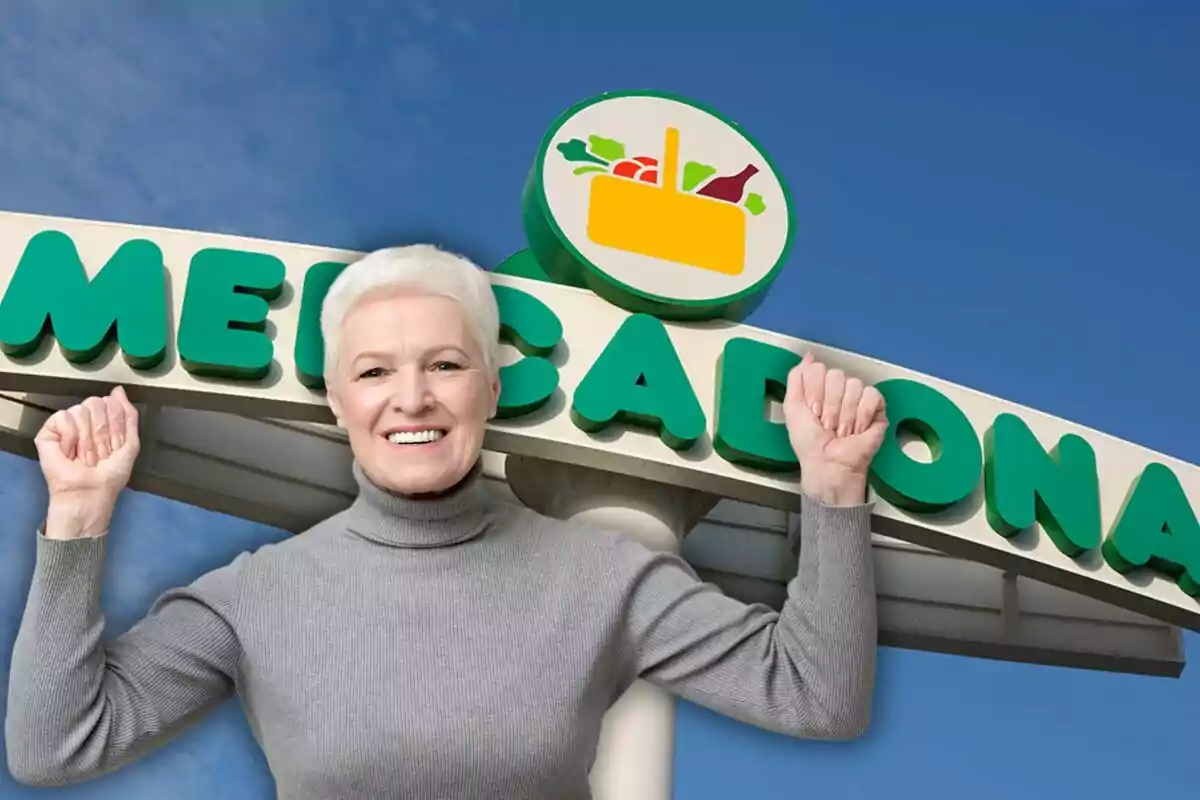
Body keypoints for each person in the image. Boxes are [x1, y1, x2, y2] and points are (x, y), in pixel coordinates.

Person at [6, 244, 887, 799]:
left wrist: (836, 489)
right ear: (338, 401)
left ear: (491, 391)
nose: (412, 398)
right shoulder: (254, 596)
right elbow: (56, 747)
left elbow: (819, 696)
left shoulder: (607, 578)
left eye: (446, 364)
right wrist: (78, 520)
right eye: (375, 372)